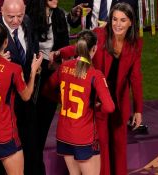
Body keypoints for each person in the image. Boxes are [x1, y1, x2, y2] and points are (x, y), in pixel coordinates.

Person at [58, 3, 143, 175]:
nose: (117, 24)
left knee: (119, 148)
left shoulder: (135, 44)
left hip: (119, 104)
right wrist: (60, 54)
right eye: (114, 19)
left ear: (131, 22)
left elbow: (135, 78)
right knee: (102, 146)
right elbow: (79, 49)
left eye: (123, 20)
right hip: (97, 103)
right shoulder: (99, 35)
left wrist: (138, 110)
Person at [0, 0, 41, 174]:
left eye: (19, 15)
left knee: (32, 151)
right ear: (0, 10)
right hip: (3, 115)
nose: (16, 20)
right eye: (11, 16)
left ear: (24, 10)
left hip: (19, 109)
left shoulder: (27, 22)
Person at [44, 30, 115, 175]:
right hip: (84, 136)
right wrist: (96, 106)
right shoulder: (95, 74)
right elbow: (109, 107)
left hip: (64, 133)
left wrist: (63, 101)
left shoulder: (64, 67)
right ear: (94, 48)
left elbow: (46, 89)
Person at [25, 0, 70, 173]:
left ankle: (35, 167)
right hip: (33, 75)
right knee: (30, 128)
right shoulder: (28, 16)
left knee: (43, 127)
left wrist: (57, 60)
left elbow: (65, 45)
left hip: (52, 77)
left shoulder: (59, 14)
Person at [68, 0, 138, 29]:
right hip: (89, 45)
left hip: (115, 46)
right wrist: (74, 14)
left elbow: (132, 22)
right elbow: (73, 23)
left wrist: (109, 26)